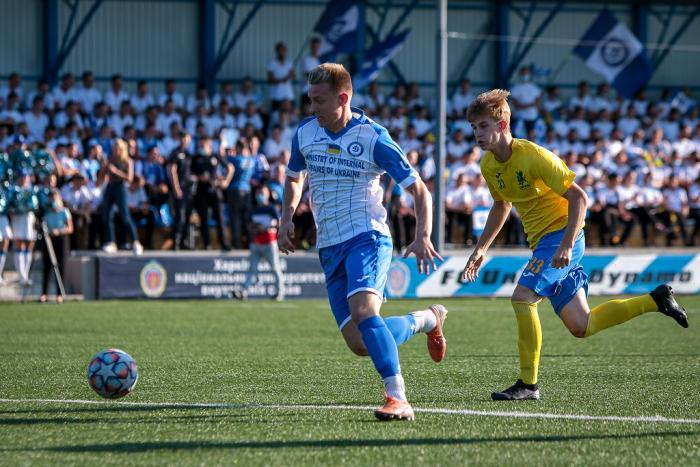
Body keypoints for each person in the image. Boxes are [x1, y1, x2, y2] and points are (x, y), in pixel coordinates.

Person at [461, 89, 689, 401]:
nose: (477, 133)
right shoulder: (488, 165)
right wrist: (481, 248)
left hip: (561, 237)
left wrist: (566, 245)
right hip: (544, 243)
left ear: (502, 125)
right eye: (474, 127)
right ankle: (656, 300)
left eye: (483, 126)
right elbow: (502, 205)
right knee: (582, 325)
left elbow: (580, 198)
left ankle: (528, 385)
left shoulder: (534, 156)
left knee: (522, 297)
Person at [279, 63, 448, 421]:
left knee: (364, 313)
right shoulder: (305, 132)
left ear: (343, 98)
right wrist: (286, 217)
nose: (312, 107)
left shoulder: (373, 137)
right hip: (329, 246)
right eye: (310, 100)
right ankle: (427, 319)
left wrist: (422, 235)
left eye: (319, 100)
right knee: (359, 343)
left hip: (367, 236)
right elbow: (294, 177)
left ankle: (397, 397)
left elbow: (420, 189)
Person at [234, 185, 284, 301]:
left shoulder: (271, 209)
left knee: (275, 268)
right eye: (258, 193)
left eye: (262, 193)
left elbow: (279, 223)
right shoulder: (253, 210)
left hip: (269, 242)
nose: (260, 195)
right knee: (252, 269)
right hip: (256, 243)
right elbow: (249, 225)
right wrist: (255, 228)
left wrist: (266, 228)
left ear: (267, 194)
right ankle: (244, 291)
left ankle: (279, 292)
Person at [100, 139, 144, 254]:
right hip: (110, 188)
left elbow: (129, 178)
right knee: (107, 216)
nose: (115, 151)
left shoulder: (128, 161)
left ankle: (135, 242)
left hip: (120, 188)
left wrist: (115, 171)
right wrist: (104, 168)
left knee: (125, 216)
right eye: (114, 149)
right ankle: (111, 242)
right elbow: (102, 177)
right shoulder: (110, 160)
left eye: (117, 149)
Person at [39, 189, 72, 304]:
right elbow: (43, 227)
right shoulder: (46, 213)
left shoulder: (64, 211)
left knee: (60, 265)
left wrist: (59, 231)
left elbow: (70, 228)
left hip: (61, 239)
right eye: (51, 198)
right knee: (47, 266)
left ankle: (59, 294)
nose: (53, 201)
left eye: (55, 198)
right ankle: (44, 293)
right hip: (49, 240)